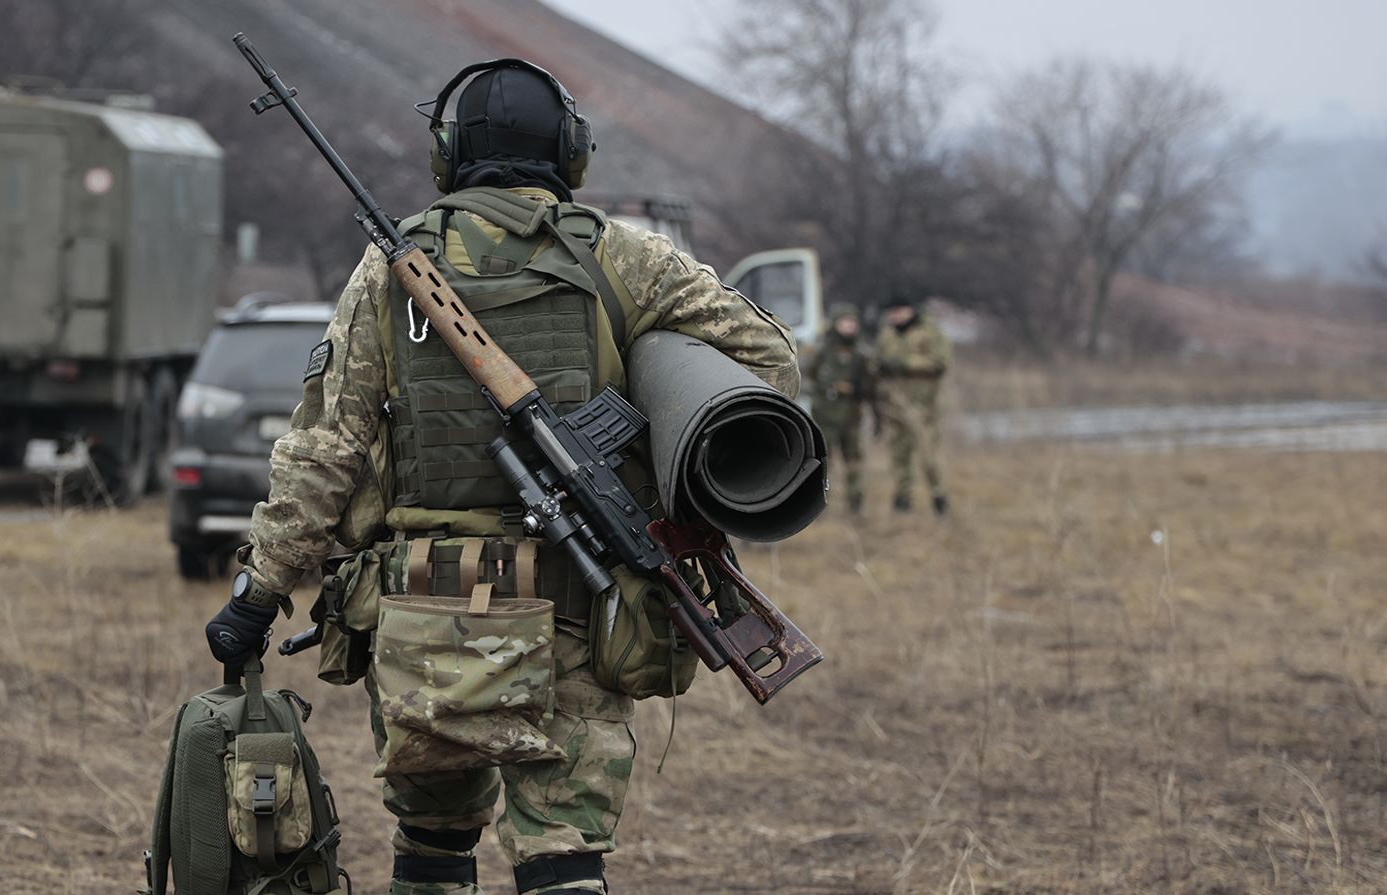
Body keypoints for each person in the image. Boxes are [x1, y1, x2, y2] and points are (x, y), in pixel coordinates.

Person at [204, 58, 799, 895]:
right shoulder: (625, 259)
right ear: (572, 152)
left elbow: (324, 450)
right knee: (563, 855)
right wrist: (651, 373)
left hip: (423, 613)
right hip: (580, 611)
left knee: (433, 847)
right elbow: (769, 365)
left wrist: (256, 595)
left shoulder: (386, 272)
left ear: (446, 153)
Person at [875, 292, 952, 515]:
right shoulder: (887, 334)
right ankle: (902, 500)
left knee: (929, 455)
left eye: (899, 310)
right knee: (898, 456)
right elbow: (879, 362)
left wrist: (906, 364)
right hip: (893, 405)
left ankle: (939, 498)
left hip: (922, 405)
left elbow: (941, 362)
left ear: (910, 310)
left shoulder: (929, 331)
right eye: (892, 312)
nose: (895, 316)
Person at [804, 304, 874, 514]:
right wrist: (829, 388)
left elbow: (872, 384)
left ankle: (856, 505)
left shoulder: (862, 353)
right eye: (845, 323)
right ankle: (818, 505)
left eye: (852, 323)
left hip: (852, 416)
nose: (849, 327)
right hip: (824, 416)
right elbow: (806, 378)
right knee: (824, 463)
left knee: (854, 462)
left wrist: (856, 389)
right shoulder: (820, 349)